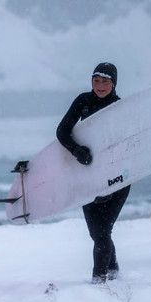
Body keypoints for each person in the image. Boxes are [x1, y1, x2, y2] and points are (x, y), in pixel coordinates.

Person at [56, 62, 130, 283]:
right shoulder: (83, 101)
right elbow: (62, 131)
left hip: (117, 180)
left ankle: (99, 280)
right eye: (96, 80)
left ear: (114, 83)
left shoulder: (121, 107)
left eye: (105, 81)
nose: (99, 85)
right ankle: (114, 268)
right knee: (97, 232)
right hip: (88, 178)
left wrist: (118, 170)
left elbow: (129, 145)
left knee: (102, 232)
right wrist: (77, 150)